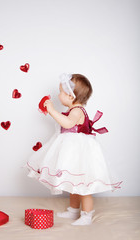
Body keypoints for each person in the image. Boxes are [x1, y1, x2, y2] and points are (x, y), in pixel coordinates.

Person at [23, 73, 122, 225]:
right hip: (72, 154)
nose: (58, 94)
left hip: (80, 154)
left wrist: (52, 111)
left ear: (70, 96)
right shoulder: (74, 109)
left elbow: (68, 124)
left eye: (61, 92)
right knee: (73, 184)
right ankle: (73, 210)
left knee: (83, 187)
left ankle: (87, 215)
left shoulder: (77, 111)